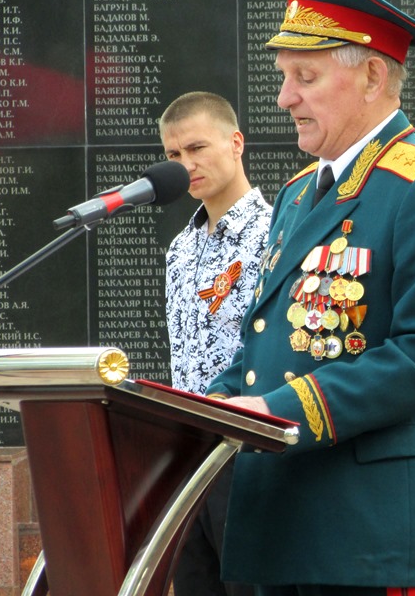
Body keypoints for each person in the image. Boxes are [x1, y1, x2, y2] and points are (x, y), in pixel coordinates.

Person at [205, 0, 415, 596]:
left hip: (372, 533)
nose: (285, 98)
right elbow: (266, 345)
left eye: (304, 77)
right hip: (284, 524)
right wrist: (202, 408)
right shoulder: (301, 194)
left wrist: (273, 414)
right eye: (284, 77)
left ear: (373, 76)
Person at [162, 91, 270, 596]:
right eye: (173, 156)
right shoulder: (180, 249)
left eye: (197, 148)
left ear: (236, 143)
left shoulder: (274, 234)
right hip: (190, 457)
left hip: (248, 452)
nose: (187, 165)